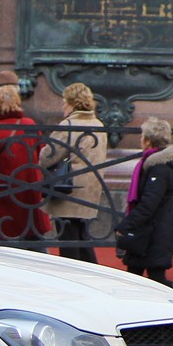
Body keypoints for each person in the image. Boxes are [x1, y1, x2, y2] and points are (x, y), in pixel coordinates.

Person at [41, 81, 106, 264]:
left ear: (72, 102)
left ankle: (73, 272)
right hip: (91, 186)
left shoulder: (69, 124)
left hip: (69, 187)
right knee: (82, 234)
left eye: (65, 102)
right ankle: (91, 271)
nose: (63, 105)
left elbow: (49, 155)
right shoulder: (98, 124)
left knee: (68, 235)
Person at [115, 117, 173, 287]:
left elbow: (149, 204)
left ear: (147, 141)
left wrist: (126, 225)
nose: (140, 140)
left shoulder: (158, 169)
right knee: (135, 278)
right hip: (149, 232)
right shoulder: (153, 166)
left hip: (154, 232)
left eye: (142, 137)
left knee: (156, 280)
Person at [0, 83, 49, 243]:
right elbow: (41, 153)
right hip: (30, 185)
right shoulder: (30, 124)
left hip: (4, 188)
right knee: (33, 235)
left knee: (4, 234)